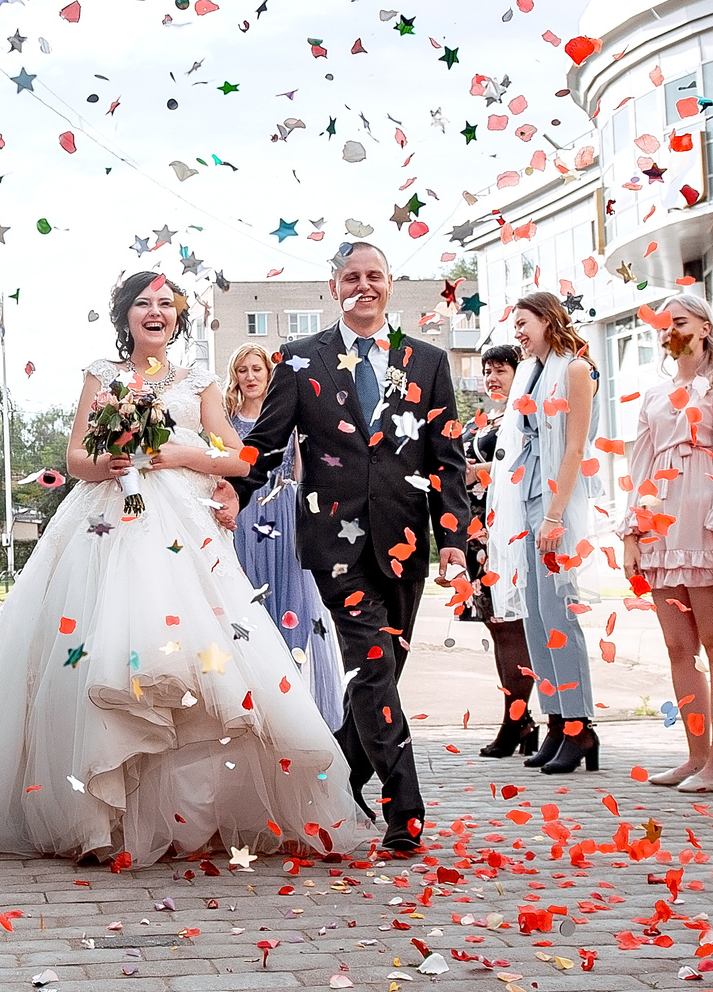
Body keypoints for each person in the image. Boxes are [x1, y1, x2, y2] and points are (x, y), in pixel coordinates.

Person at [0, 272, 359, 861]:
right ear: (125, 315)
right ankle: (96, 817)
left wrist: (179, 454)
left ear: (179, 317)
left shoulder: (200, 379)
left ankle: (195, 810)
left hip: (184, 526)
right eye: (143, 304)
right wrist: (107, 461)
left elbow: (241, 457)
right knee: (93, 652)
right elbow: (75, 456)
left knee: (193, 663)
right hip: (106, 521)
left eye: (166, 304)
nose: (155, 313)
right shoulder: (102, 375)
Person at [239, 243, 475, 850]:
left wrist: (452, 538)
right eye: (352, 277)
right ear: (333, 285)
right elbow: (266, 444)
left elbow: (446, 462)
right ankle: (406, 814)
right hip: (332, 541)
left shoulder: (427, 362)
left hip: (404, 541)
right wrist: (228, 498)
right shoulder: (298, 358)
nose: (363, 286)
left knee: (384, 672)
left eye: (374, 276)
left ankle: (342, 782)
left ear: (390, 285)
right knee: (371, 668)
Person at [616, 292, 713, 791]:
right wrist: (633, 532)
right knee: (679, 647)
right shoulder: (654, 395)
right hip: (661, 524)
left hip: (706, 520)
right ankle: (694, 756)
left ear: (703, 327)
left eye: (678, 321)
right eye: (661, 324)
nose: (668, 330)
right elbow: (638, 468)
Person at [218, 343, 344, 731]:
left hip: (286, 513)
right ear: (235, 377)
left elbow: (305, 472)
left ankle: (296, 703)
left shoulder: (288, 418)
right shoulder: (226, 420)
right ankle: (253, 696)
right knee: (244, 602)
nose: (251, 376)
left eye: (257, 369)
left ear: (269, 375)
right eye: (243, 370)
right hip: (245, 511)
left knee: (292, 601)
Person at [507, 291, 607, 775]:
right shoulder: (530, 372)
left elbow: (574, 448)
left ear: (548, 320)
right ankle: (555, 720)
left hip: (554, 503)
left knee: (558, 614)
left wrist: (554, 514)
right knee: (534, 617)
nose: (519, 334)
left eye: (524, 323)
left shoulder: (575, 369)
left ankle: (579, 726)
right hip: (525, 497)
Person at [464, 342, 537, 758]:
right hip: (479, 536)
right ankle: (521, 722)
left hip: (507, 533)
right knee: (496, 626)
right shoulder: (487, 418)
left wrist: (477, 470)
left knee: (512, 628)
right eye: (488, 371)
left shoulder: (524, 415)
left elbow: (521, 463)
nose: (492, 378)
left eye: (501, 371)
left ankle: (515, 722)